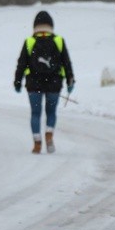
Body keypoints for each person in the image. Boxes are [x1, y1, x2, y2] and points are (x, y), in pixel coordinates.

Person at [14, 10, 75, 154]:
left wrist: (17, 81)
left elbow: (21, 64)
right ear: (51, 26)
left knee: (35, 113)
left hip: (33, 85)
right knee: (51, 112)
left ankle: (37, 142)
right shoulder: (58, 41)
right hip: (54, 83)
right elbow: (67, 63)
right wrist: (70, 80)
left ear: (35, 26)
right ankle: (49, 133)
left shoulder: (29, 42)